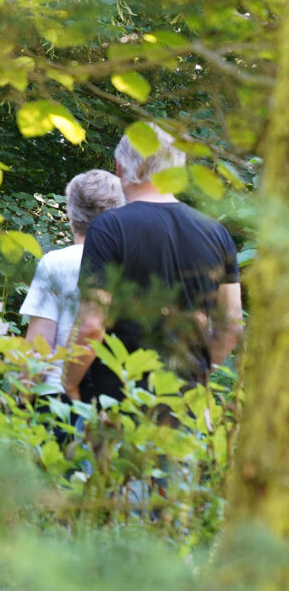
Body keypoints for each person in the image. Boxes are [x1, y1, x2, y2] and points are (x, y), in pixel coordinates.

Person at [64, 124, 243, 405]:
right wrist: (200, 374)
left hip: (118, 402)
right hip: (185, 404)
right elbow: (231, 326)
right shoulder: (216, 233)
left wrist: (69, 383)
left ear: (120, 167)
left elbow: (91, 327)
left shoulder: (109, 227)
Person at [20, 170, 125, 395]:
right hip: (116, 396)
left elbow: (38, 347)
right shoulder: (130, 263)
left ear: (71, 212)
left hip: (56, 394)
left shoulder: (55, 263)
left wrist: (23, 398)